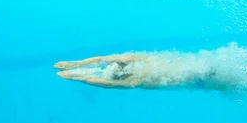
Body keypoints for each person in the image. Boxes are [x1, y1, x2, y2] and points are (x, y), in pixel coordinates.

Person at [54, 50, 226, 89]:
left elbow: (106, 81)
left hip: (192, 79)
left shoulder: (135, 80)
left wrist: (75, 69)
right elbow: (106, 80)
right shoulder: (137, 63)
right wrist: (75, 73)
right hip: (193, 74)